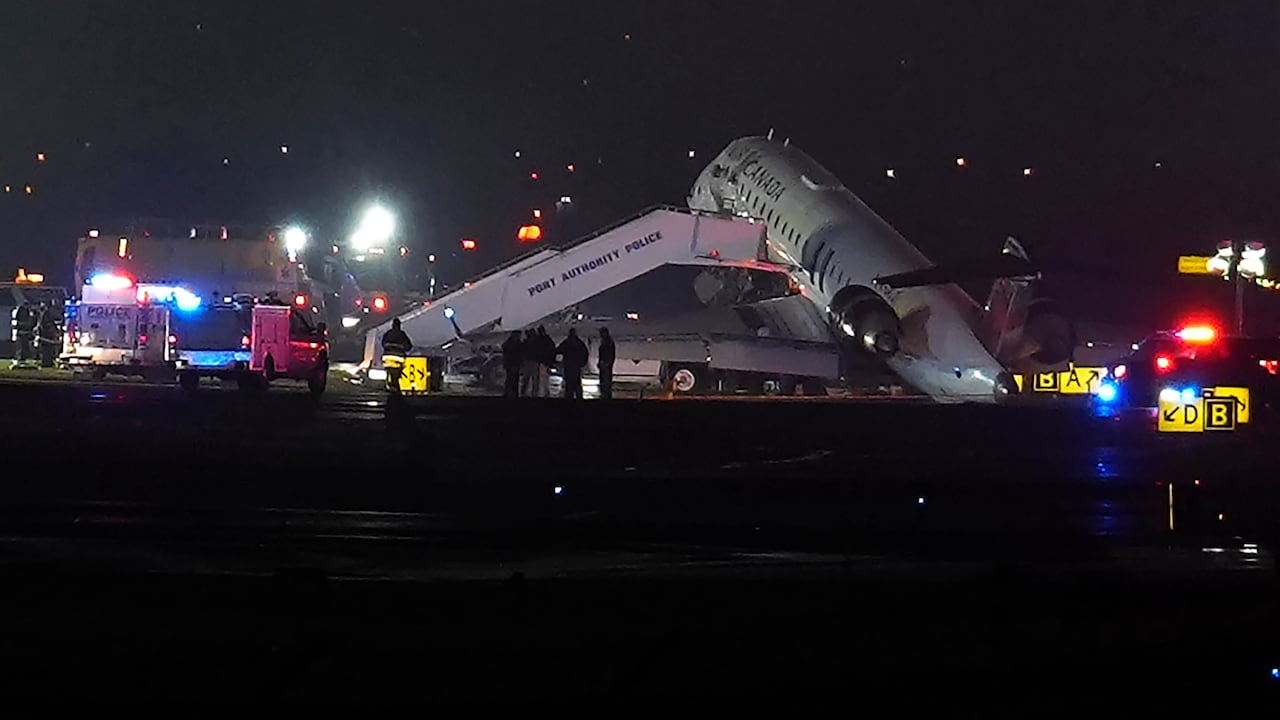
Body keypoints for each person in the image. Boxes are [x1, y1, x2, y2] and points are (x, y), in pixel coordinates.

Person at [381, 318, 412, 395]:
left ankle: (391, 388)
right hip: (397, 360)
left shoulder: (387, 334)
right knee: (396, 376)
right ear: (399, 325)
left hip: (387, 360)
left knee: (390, 374)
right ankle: (396, 392)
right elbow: (409, 346)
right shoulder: (402, 334)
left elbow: (383, 344)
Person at [557, 327, 588, 400]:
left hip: (568, 366)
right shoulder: (579, 343)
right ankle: (579, 398)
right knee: (577, 384)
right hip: (576, 367)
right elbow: (585, 353)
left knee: (569, 385)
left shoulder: (567, 342)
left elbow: (558, 350)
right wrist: (582, 363)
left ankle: (569, 399)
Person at [11, 303, 34, 368]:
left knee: (23, 346)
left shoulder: (24, 311)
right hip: (22, 332)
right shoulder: (25, 311)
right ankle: (20, 358)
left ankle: (21, 358)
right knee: (21, 346)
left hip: (23, 332)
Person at [501, 330, 523, 398]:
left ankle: (510, 393)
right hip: (513, 364)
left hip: (512, 364)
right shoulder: (515, 343)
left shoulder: (510, 342)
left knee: (511, 379)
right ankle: (511, 393)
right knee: (512, 379)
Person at [536, 326, 555, 398]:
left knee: (541, 378)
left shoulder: (539, 340)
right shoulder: (547, 340)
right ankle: (545, 392)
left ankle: (542, 392)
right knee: (543, 378)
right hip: (544, 362)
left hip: (542, 362)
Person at [520, 329, 539, 397]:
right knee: (534, 379)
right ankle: (534, 393)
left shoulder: (526, 342)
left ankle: (524, 392)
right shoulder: (537, 342)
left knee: (527, 378)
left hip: (528, 361)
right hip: (533, 361)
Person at [597, 327, 615, 400]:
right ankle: (605, 394)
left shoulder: (608, 342)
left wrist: (606, 363)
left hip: (605, 364)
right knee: (604, 379)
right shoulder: (606, 341)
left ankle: (605, 395)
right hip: (604, 363)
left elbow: (609, 354)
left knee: (605, 380)